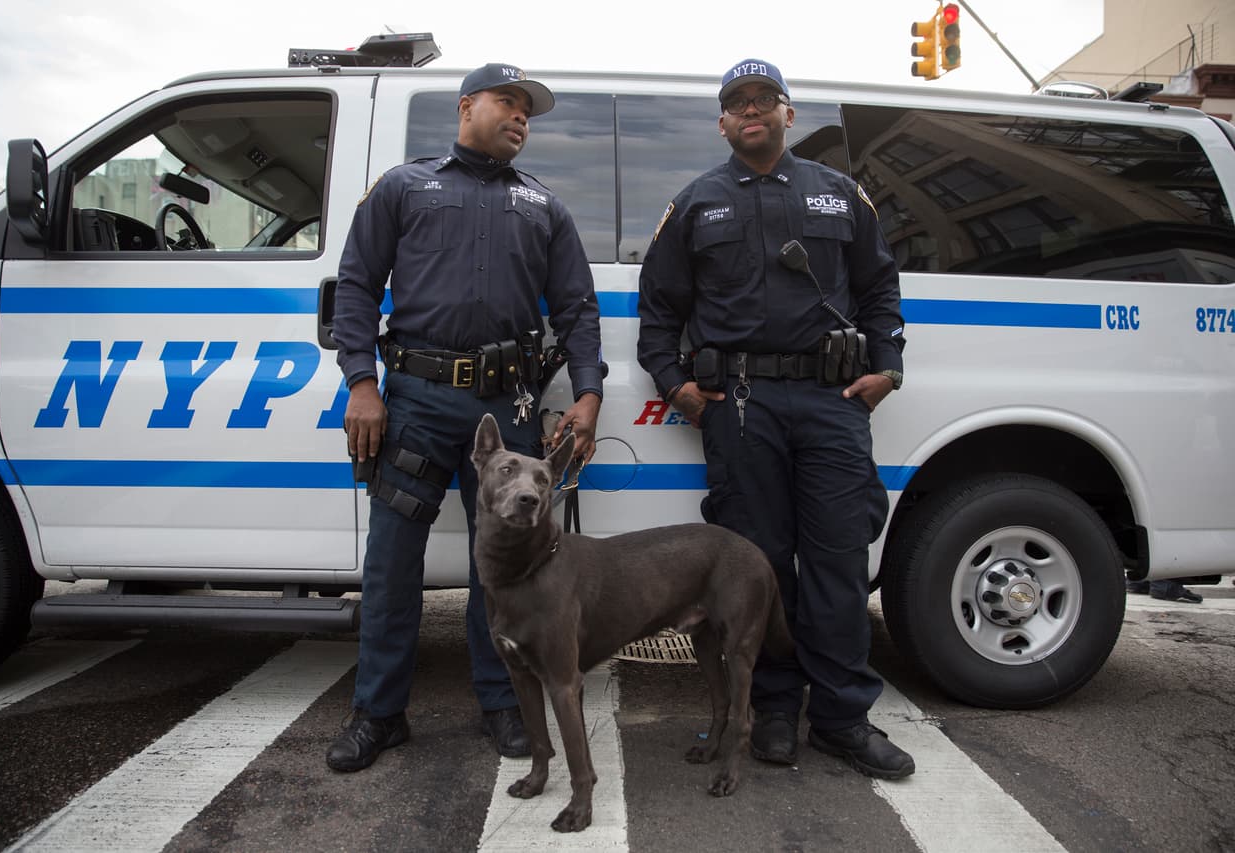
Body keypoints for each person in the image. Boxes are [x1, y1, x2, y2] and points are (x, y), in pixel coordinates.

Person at [636, 59, 914, 779]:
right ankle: (777, 707)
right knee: (757, 571)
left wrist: (889, 369)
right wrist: (677, 387)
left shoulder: (838, 195)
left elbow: (881, 288)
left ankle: (845, 719)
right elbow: (658, 312)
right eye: (737, 103)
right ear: (724, 122)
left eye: (765, 99)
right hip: (742, 406)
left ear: (789, 115)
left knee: (838, 563)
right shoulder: (697, 203)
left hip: (831, 404)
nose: (751, 110)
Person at [327, 63, 603, 772]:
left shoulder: (544, 206)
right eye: (507, 102)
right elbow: (356, 283)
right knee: (392, 562)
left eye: (527, 110)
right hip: (414, 400)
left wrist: (588, 393)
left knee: (506, 568)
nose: (520, 117)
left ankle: (503, 704)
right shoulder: (404, 186)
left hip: (504, 408)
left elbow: (576, 308)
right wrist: (362, 383)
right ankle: (379, 713)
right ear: (465, 107)